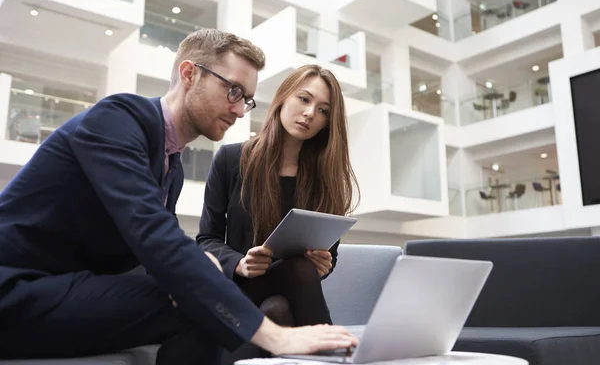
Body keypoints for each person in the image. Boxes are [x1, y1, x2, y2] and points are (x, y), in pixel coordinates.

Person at [0, 29, 358, 364]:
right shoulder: (117, 119)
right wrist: (275, 336)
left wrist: (202, 263)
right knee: (197, 304)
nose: (238, 110)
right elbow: (152, 233)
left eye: (246, 100)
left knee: (199, 294)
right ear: (189, 74)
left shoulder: (172, 166)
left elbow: (162, 247)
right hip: (15, 288)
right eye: (233, 91)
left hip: (61, 288)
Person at [197, 65, 360, 332]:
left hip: (290, 296)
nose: (310, 114)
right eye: (304, 99)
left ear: (328, 123)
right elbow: (206, 240)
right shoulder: (231, 159)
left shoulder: (326, 179)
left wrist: (323, 266)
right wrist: (239, 263)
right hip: (240, 291)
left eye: (323, 110)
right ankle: (336, 351)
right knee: (296, 272)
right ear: (284, 97)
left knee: (279, 308)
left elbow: (330, 255)